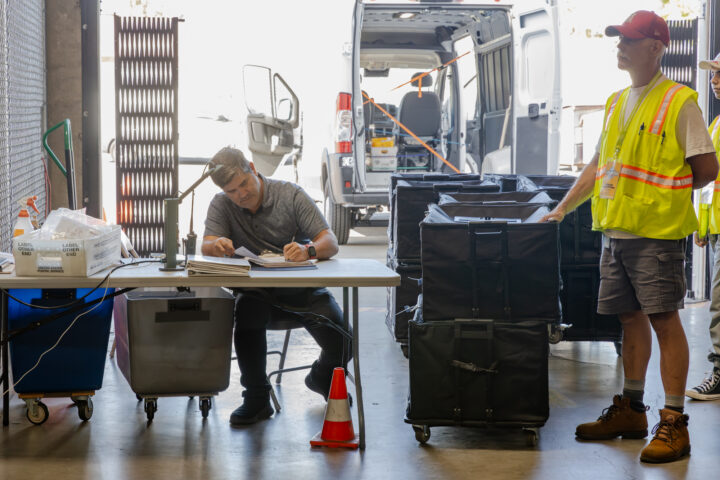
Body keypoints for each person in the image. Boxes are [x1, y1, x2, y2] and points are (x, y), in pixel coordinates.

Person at [541, 11, 718, 463]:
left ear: (656, 48)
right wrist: (561, 209)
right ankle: (632, 410)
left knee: (663, 320)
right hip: (615, 231)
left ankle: (674, 422)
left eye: (631, 39)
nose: (620, 45)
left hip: (655, 235)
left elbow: (706, 169)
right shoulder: (618, 100)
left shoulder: (680, 101)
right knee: (629, 319)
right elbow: (601, 164)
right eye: (619, 38)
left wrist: (660, 199)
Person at [201, 147, 351, 425]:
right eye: (232, 191)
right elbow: (207, 243)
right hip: (257, 295)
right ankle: (257, 398)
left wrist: (308, 251)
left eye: (244, 184)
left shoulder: (290, 194)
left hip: (304, 290)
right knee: (246, 316)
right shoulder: (222, 204)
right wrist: (216, 245)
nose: (241, 195)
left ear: (252, 167)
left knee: (343, 339)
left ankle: (320, 376)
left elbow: (329, 241)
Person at [686, 53, 720, 401]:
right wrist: (702, 223)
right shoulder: (718, 124)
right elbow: (712, 184)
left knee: (719, 305)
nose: (715, 81)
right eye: (713, 75)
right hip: (716, 229)